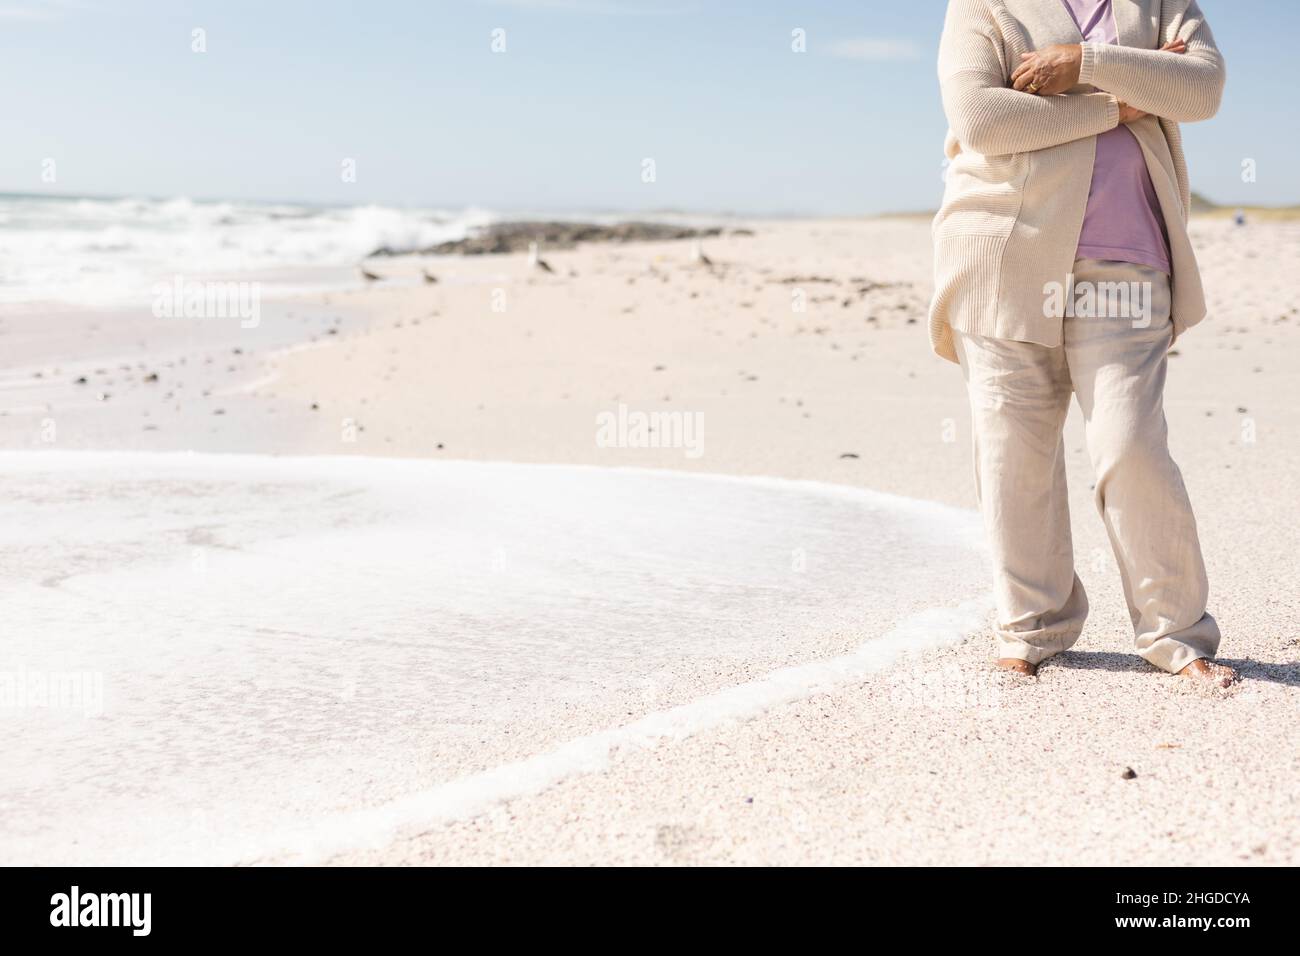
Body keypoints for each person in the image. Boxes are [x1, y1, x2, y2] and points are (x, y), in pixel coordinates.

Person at [928, 0, 1234, 685]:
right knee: (1013, 457)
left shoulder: (1159, 4)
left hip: (1127, 263)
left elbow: (1202, 90)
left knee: (1131, 446)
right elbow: (982, 120)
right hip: (1001, 254)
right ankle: (1031, 627)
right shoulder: (982, 6)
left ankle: (1178, 634)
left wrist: (1084, 65)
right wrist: (1122, 104)